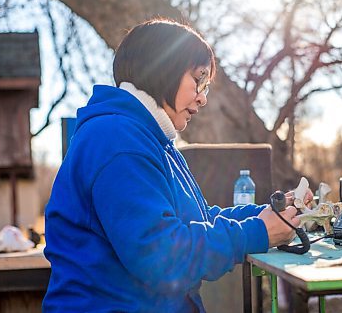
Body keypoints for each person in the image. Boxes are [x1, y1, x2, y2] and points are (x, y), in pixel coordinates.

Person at [42, 18, 311, 312]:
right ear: (162, 69)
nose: (203, 97)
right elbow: (162, 255)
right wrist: (256, 233)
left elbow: (198, 220)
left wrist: (267, 213)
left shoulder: (152, 140)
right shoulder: (117, 141)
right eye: (198, 80)